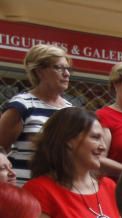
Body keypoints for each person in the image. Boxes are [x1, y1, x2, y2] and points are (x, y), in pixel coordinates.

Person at [0, 44, 74, 185]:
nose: (67, 74)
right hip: (24, 190)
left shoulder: (70, 110)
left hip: (58, 190)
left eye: (68, 68)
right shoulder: (22, 106)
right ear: (40, 71)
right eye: (59, 68)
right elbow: (0, 149)